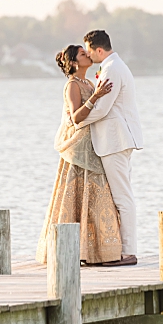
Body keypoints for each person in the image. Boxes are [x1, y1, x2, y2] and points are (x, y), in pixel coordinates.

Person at [37, 44, 123, 266]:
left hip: (93, 145)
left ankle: (99, 253)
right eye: (83, 54)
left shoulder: (89, 82)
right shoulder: (72, 85)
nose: (88, 55)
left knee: (98, 198)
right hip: (77, 148)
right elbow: (76, 118)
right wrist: (95, 97)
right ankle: (70, 251)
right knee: (76, 197)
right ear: (74, 62)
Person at [81, 28, 144, 265]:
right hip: (116, 140)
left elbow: (102, 109)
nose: (88, 56)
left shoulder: (111, 69)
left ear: (99, 50)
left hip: (116, 141)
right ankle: (120, 249)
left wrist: (76, 121)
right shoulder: (112, 67)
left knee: (122, 198)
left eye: (89, 51)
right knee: (121, 196)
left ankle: (128, 252)